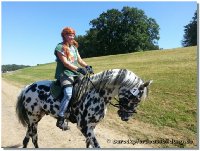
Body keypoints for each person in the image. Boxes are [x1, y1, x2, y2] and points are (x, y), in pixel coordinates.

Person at [54, 27, 93, 130]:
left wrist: (87, 66)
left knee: (84, 90)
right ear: (64, 36)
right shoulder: (60, 47)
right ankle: (61, 117)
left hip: (75, 73)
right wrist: (79, 69)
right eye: (69, 35)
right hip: (65, 74)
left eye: (72, 35)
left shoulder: (74, 47)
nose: (71, 36)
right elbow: (65, 63)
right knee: (68, 94)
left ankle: (76, 112)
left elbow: (79, 60)